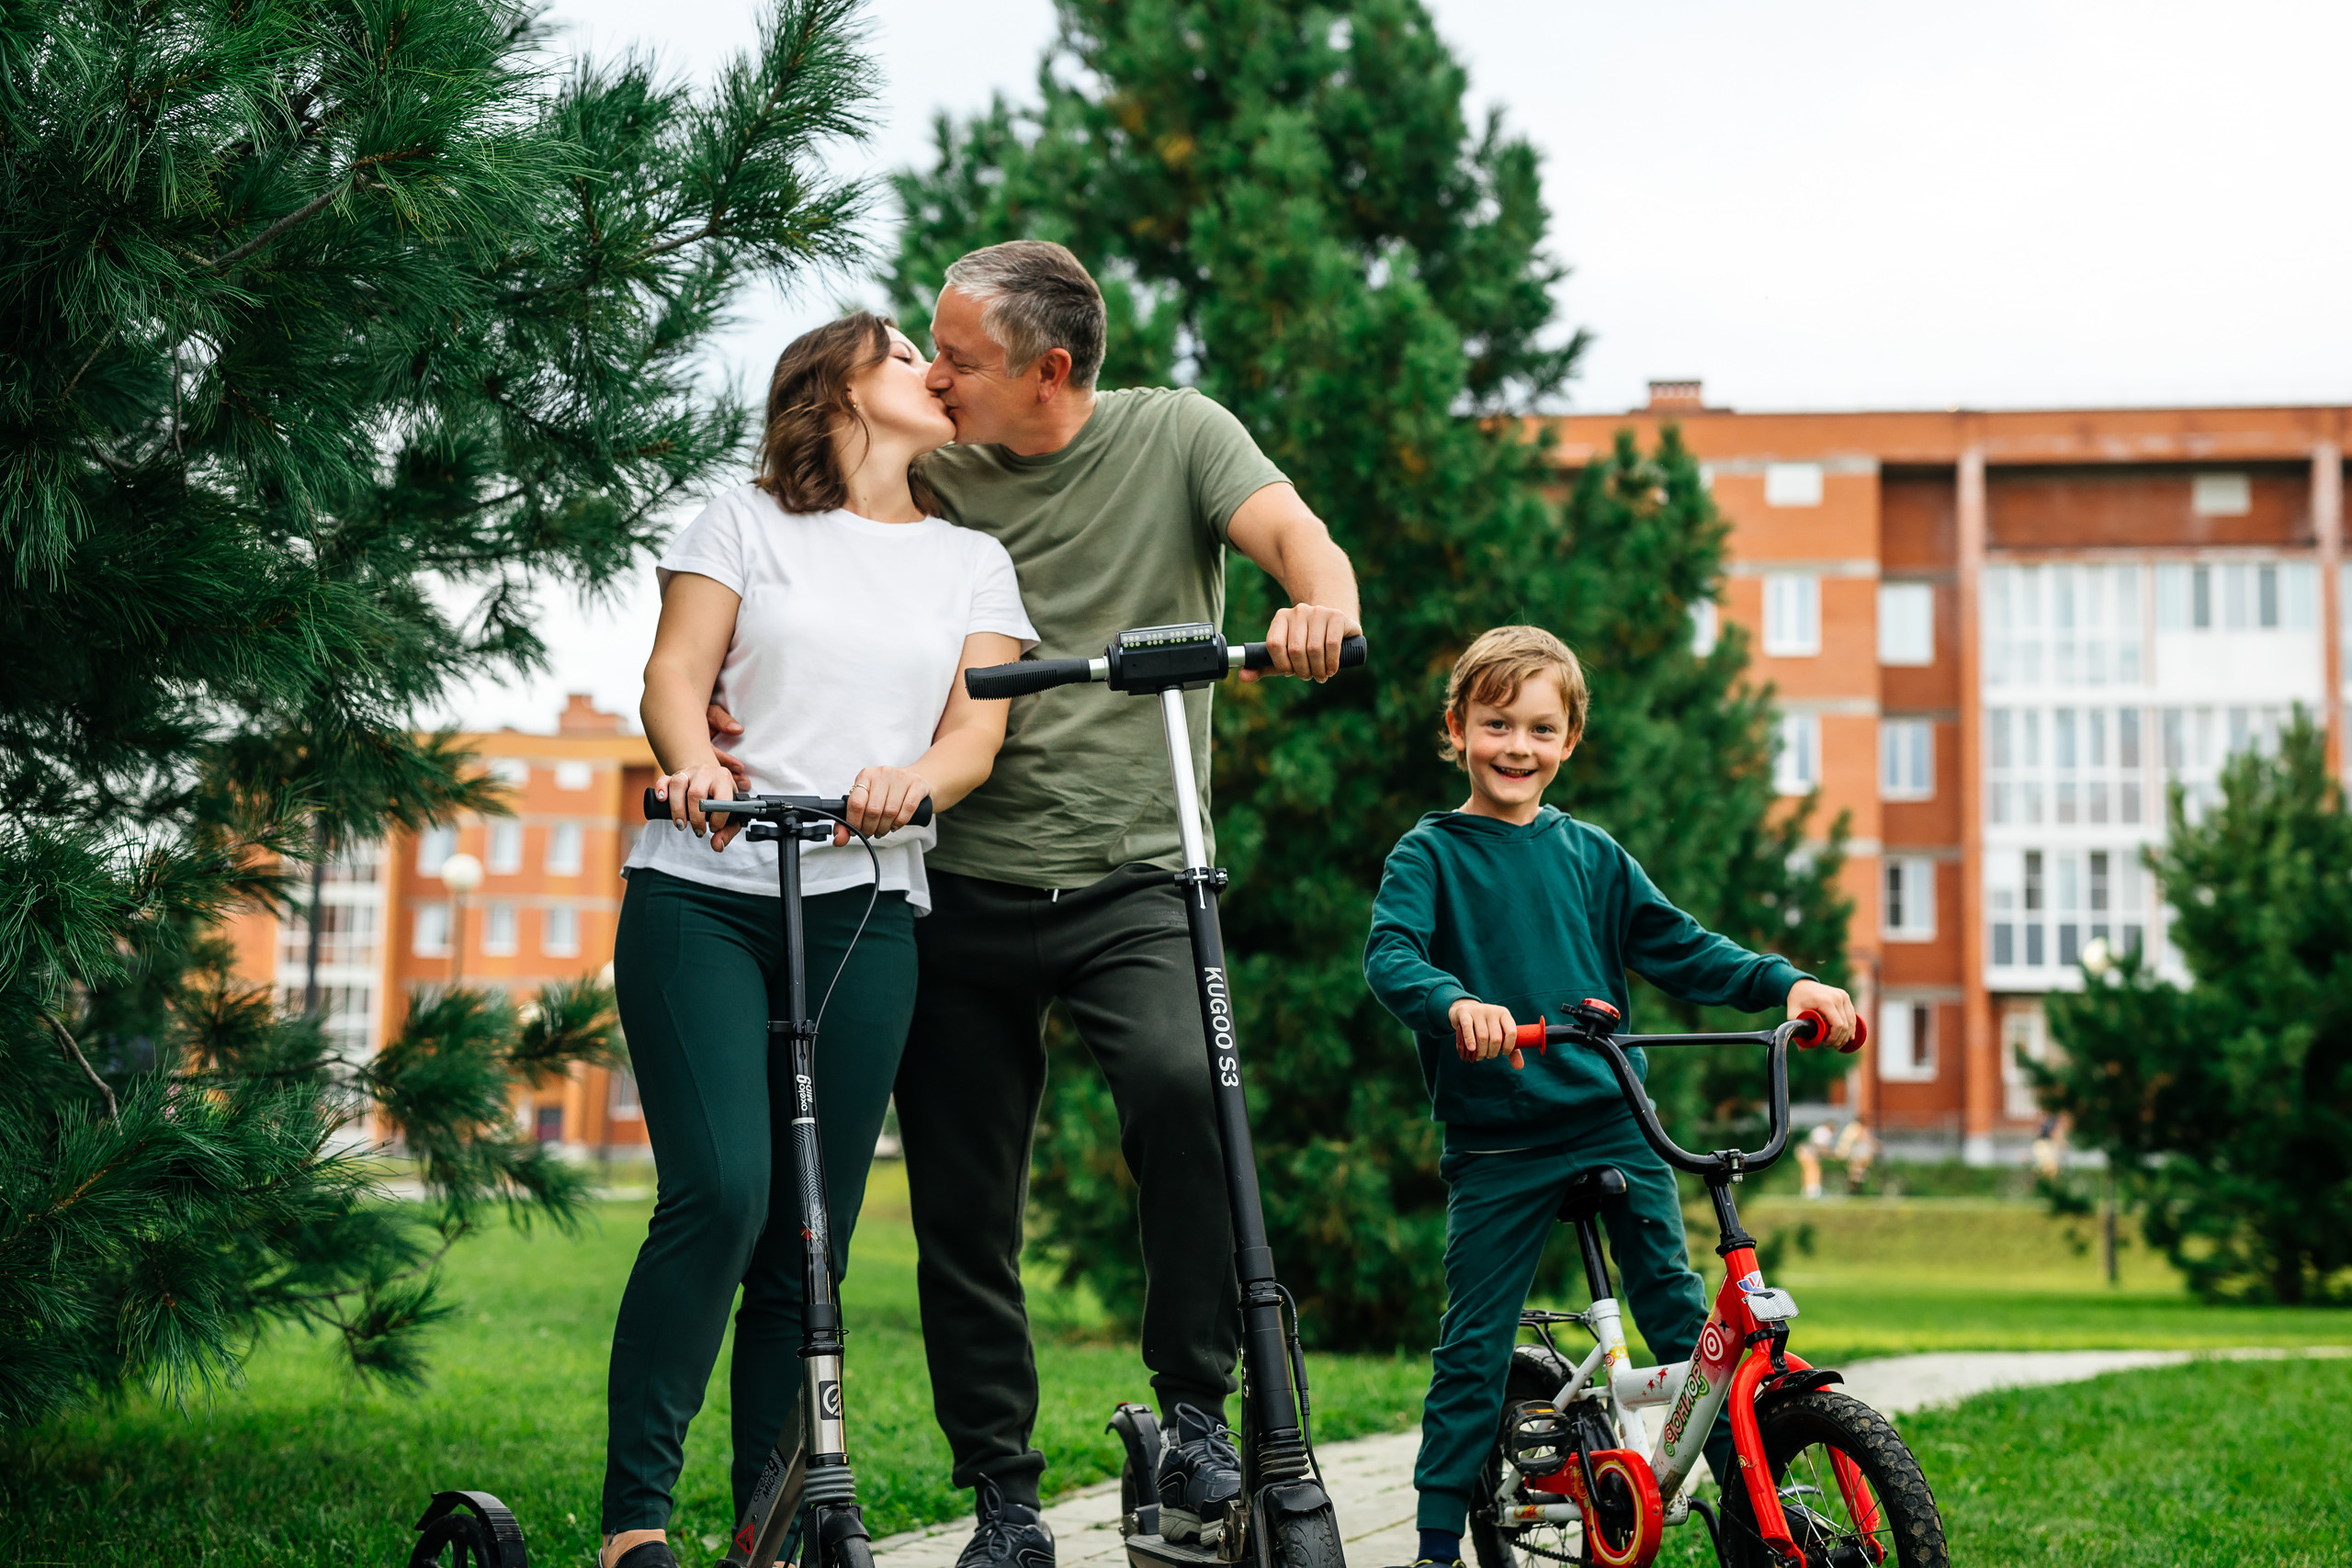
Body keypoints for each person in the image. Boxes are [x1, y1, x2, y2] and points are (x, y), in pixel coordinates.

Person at [706, 240, 1360, 1567]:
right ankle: (1004, 1493)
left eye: (958, 357)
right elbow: (805, 561)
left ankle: (1193, 1413)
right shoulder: (928, 459)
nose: (932, 373)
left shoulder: (1179, 435)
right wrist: (727, 696)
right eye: (928, 351)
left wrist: (1321, 603)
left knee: (1186, 1089)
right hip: (960, 882)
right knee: (962, 1199)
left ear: (1048, 371)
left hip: (1137, 870)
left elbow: (1295, 535)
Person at [599, 312, 1039, 1568]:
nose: (934, 374)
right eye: (908, 354)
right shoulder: (737, 519)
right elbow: (674, 673)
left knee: (809, 1236)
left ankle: (769, 1531)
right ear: (838, 381)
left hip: (864, 903)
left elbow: (976, 735)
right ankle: (637, 1520)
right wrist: (689, 768)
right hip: (709, 885)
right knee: (725, 1191)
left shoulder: (971, 559)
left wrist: (913, 780)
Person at [1361, 626, 1858, 1568]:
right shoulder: (1429, 854)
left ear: (1569, 741)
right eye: (1496, 722)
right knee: (1472, 1348)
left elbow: (1682, 945)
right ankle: (1432, 1547)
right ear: (1457, 728)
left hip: (1610, 1121)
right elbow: (1390, 957)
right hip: (1500, 1144)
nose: (1517, 746)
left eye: (1540, 728)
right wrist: (1456, 1002)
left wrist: (1784, 983)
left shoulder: (1591, 856)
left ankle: (1753, 1525)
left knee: (1684, 1322)